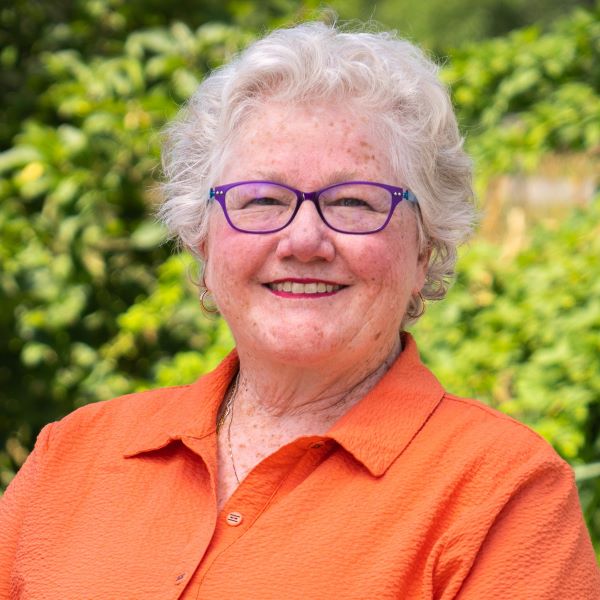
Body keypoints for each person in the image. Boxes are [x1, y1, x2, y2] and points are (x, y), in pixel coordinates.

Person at [1, 21, 598, 600]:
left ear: (425, 247)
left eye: (354, 201)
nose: (304, 240)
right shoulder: (74, 456)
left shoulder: (502, 492)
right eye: (262, 198)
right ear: (202, 240)